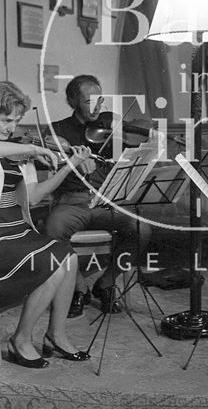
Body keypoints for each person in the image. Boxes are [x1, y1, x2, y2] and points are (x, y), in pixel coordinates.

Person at [0, 81, 91, 368]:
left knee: (69, 258)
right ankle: (21, 340)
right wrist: (26, 147)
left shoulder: (16, 152)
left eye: (14, 121)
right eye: (5, 120)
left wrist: (68, 167)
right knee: (53, 261)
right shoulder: (15, 148)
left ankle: (56, 334)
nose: (10, 127)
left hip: (17, 229)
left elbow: (34, 194)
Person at [45, 75, 151, 318]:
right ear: (73, 101)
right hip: (72, 202)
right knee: (53, 230)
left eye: (101, 100)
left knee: (141, 229)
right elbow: (48, 146)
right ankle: (78, 288)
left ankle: (106, 283)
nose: (98, 107)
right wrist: (70, 159)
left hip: (106, 203)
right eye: (89, 101)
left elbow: (139, 140)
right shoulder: (59, 130)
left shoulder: (112, 126)